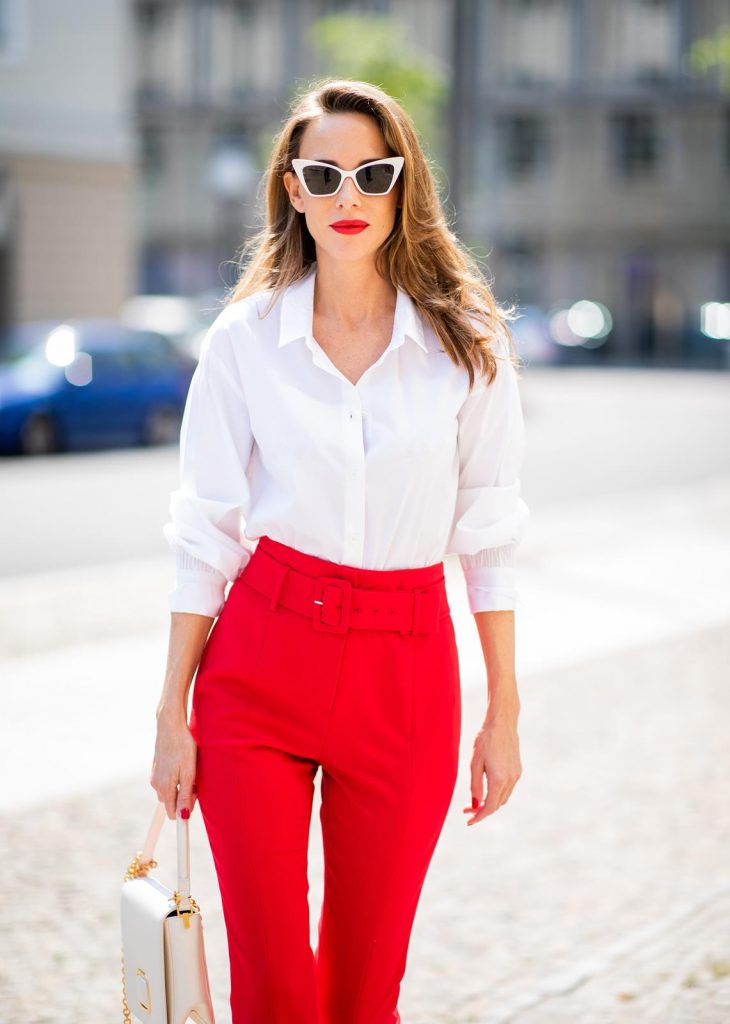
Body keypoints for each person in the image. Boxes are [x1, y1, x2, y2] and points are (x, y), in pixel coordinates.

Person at [151, 78, 530, 1024]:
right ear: (291, 189)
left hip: (406, 674)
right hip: (260, 667)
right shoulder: (245, 340)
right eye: (325, 175)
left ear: (405, 184)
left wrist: (504, 710)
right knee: (275, 991)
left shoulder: (467, 340)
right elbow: (205, 526)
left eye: (373, 173)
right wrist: (171, 709)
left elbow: (490, 528)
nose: (349, 196)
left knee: (364, 993)